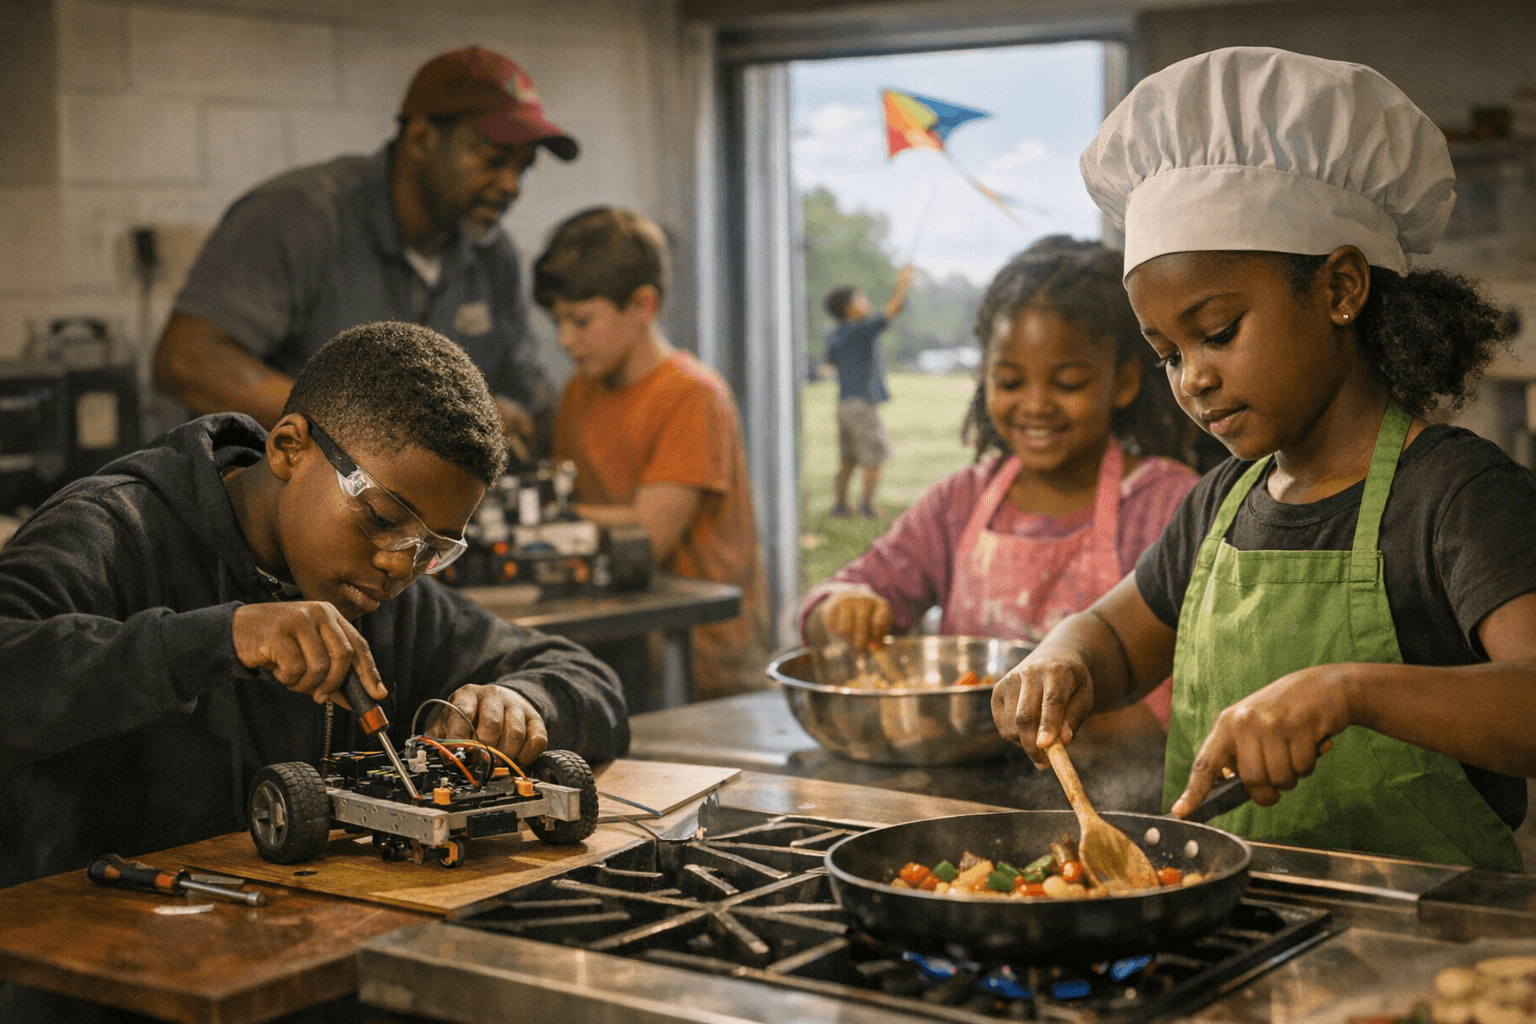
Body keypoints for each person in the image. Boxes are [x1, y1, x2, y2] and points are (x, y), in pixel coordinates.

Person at [994, 47, 1535, 870]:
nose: (1194, 378)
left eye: (1217, 332)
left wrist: (1347, 692)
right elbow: (1114, 635)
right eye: (1168, 353)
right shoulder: (1221, 503)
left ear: (1341, 289)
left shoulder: (1458, 495)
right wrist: (1062, 658)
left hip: (1426, 944)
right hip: (1234, 926)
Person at [0, 321, 629, 893]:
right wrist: (222, 637)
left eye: (431, 549)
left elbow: (587, 679)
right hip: (92, 966)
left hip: (282, 946)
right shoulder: (112, 532)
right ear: (288, 448)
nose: (397, 566)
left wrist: (521, 705)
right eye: (382, 518)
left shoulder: (374, 589)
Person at [802, 237, 1198, 733]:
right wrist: (841, 609)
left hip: (1115, 785)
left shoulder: (1165, 506)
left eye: (1068, 383)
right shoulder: (959, 503)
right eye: (1010, 383)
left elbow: (1188, 700)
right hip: (956, 788)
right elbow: (838, 598)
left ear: (1122, 381)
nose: (1035, 405)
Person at [154, 46, 576, 459]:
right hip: (279, 506)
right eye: (493, 159)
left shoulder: (492, 255)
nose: (512, 186)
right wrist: (391, 422)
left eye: (523, 167)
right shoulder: (303, 217)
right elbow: (188, 361)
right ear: (421, 139)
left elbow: (531, 397)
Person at [536, 207, 769, 699]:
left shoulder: (694, 395)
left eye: (580, 320)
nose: (564, 339)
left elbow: (648, 534)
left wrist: (533, 517)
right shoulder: (579, 391)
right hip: (620, 642)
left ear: (643, 305)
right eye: (558, 321)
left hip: (704, 659)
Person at [823, 263, 914, 519]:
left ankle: (840, 505)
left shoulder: (836, 334)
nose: (866, 302)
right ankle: (867, 505)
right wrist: (904, 282)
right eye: (861, 299)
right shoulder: (860, 329)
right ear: (850, 309)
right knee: (874, 458)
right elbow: (890, 311)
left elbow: (829, 365)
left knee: (847, 460)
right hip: (862, 404)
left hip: (844, 405)